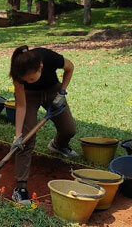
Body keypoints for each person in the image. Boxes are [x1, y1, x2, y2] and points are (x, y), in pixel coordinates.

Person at [9, 45, 77, 205]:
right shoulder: (19, 73)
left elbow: (70, 67)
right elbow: (21, 106)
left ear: (41, 67)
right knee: (26, 140)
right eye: (26, 80)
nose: (28, 81)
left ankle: (58, 145)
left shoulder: (48, 57)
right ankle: (20, 188)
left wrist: (62, 92)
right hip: (29, 97)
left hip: (53, 90)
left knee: (69, 129)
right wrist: (17, 135)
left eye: (31, 79)